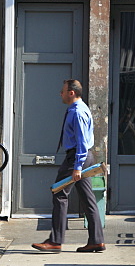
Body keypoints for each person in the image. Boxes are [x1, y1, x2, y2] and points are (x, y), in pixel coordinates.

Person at [32, 79, 105, 253]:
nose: (60, 93)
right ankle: (96, 240)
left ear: (71, 92)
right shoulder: (79, 109)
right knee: (88, 199)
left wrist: (77, 166)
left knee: (59, 194)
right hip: (83, 156)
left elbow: (81, 142)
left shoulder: (78, 112)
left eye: (63, 91)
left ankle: (55, 241)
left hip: (76, 157)